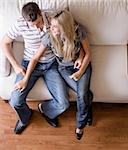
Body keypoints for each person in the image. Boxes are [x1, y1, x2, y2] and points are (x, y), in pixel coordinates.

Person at [15, 9, 93, 140]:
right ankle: (87, 111)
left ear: (65, 27)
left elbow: (88, 53)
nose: (50, 28)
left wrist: (80, 69)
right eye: (51, 25)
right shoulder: (49, 37)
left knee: (83, 94)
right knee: (84, 94)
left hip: (82, 67)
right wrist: (25, 79)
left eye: (55, 26)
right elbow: (34, 58)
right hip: (64, 69)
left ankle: (80, 126)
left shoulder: (78, 31)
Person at [1, 2, 69, 134]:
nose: (37, 27)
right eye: (33, 25)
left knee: (64, 104)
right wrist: (15, 65)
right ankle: (25, 118)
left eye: (39, 23)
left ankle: (46, 110)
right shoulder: (20, 24)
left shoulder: (51, 18)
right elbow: (4, 43)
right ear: (26, 21)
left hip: (51, 64)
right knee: (15, 100)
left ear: (40, 14)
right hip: (29, 63)